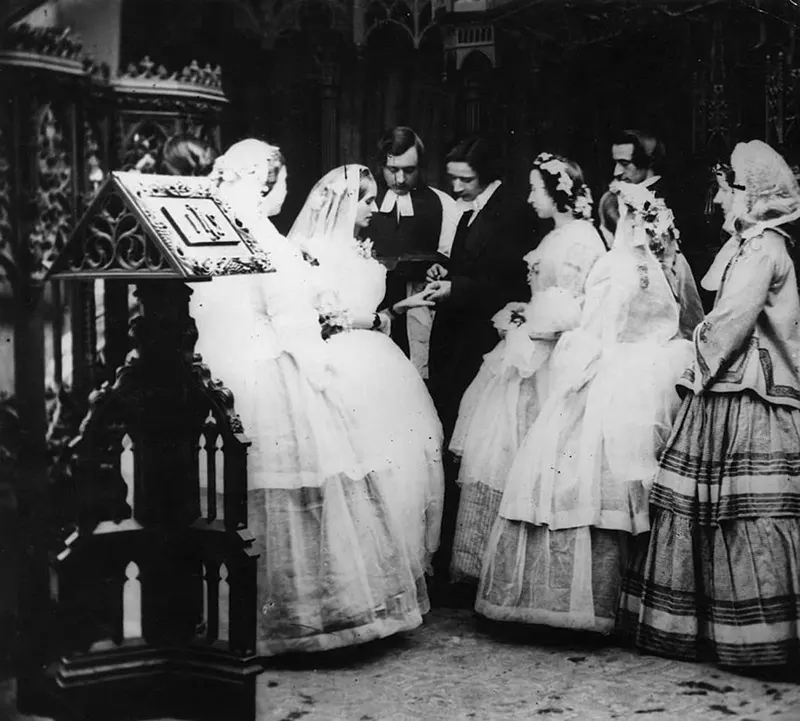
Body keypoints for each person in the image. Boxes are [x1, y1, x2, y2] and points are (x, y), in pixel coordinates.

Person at [176, 139, 431, 656]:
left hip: (216, 373)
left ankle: (217, 615)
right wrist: (321, 372)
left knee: (233, 493)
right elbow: (292, 321)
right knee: (294, 490)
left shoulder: (213, 232)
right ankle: (298, 616)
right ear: (267, 184)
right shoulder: (267, 241)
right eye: (284, 182)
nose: (288, 192)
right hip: (272, 372)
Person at [476, 181, 692, 634]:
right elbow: (684, 322)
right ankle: (634, 598)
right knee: (631, 490)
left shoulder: (613, 267)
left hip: (613, 375)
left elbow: (598, 333)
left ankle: (575, 599)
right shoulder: (667, 265)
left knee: (578, 480)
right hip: (659, 374)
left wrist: (566, 356)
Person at [619, 140, 800, 668]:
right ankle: (714, 625)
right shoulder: (750, 246)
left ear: (750, 195)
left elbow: (730, 323)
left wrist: (692, 366)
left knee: (743, 514)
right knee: (714, 511)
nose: (719, 201)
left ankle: (759, 634)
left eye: (726, 191)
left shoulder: (764, 249)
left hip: (751, 392)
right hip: (731, 386)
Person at [287, 163, 445, 610]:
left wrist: (394, 309)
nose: (374, 208)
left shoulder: (360, 249)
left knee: (401, 459)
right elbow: (317, 315)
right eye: (367, 200)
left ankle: (389, 575)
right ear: (342, 201)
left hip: (379, 360)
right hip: (342, 359)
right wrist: (373, 319)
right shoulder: (308, 251)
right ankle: (348, 581)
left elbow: (374, 307)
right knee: (358, 464)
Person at [448, 153, 604, 591]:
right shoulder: (555, 236)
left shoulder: (583, 239)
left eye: (537, 189)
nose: (531, 197)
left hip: (554, 362)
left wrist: (534, 321)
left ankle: (539, 576)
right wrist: (524, 311)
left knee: (540, 457)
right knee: (501, 451)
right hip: (528, 354)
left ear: (559, 195)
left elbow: (582, 307)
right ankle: (494, 567)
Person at [422, 136, 538, 586]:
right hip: (458, 334)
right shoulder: (470, 210)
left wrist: (460, 289)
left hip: (482, 341)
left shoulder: (510, 212)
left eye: (464, 179)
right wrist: (446, 275)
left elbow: (510, 281)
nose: (456, 188)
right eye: (451, 179)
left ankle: (471, 560)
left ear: (487, 175)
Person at [369, 127, 459, 376]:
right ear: (380, 166)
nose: (400, 180)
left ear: (421, 167)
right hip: (375, 306)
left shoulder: (442, 204)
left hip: (419, 308)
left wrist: (439, 269)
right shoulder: (365, 203)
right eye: (392, 170)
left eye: (409, 171)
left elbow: (452, 259)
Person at [610, 129, 703, 339]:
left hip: (664, 303)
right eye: (616, 163)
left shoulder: (671, 198)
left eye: (625, 163)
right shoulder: (616, 198)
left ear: (648, 161)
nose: (616, 171)